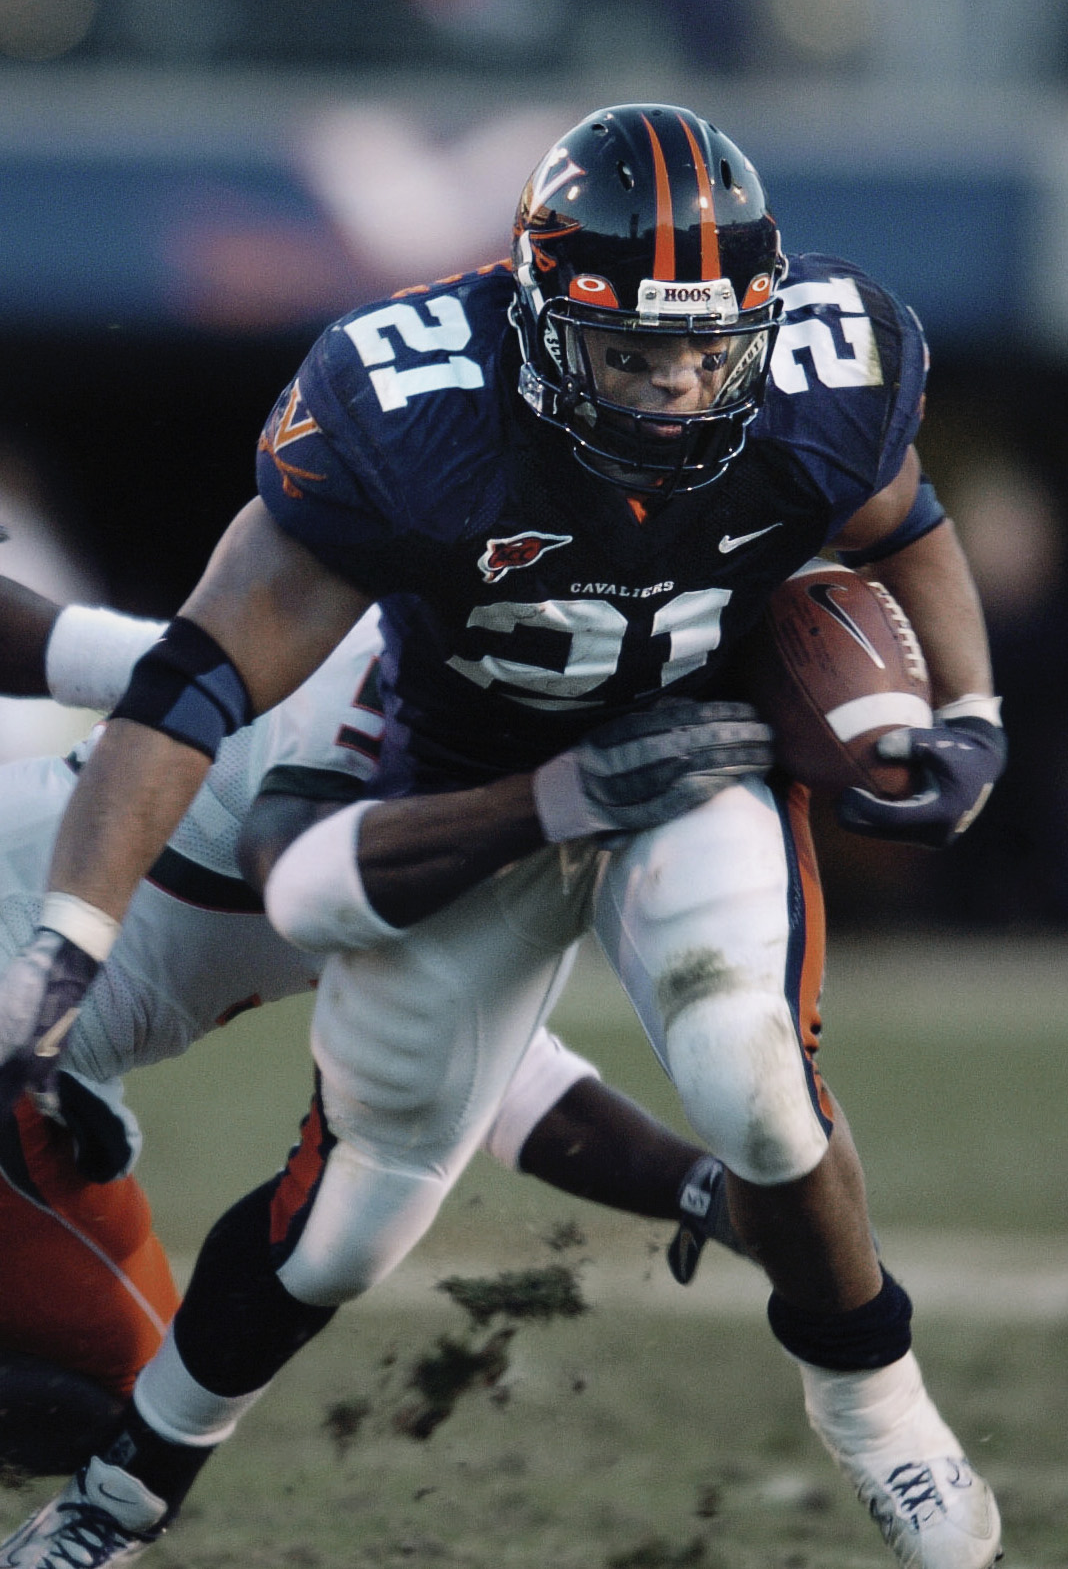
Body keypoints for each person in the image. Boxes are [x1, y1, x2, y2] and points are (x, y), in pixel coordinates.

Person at [0, 104, 1007, 1569]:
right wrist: (67, 945)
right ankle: (118, 1492)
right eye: (630, 354)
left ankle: (887, 1418)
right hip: (433, 800)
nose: (672, 389)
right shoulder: (383, 509)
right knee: (335, 1236)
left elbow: (901, 515)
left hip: (678, 761)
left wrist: (969, 710)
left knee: (752, 1072)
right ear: (537, 325)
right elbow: (298, 851)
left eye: (701, 349)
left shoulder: (815, 377)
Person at [0, 572, 747, 1472]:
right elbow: (299, 865)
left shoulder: (296, 663)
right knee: (126, 1401)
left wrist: (707, 1189)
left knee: (131, 1374)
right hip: (20, 1041)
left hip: (45, 1056)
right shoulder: (365, 729)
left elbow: (493, 1076)